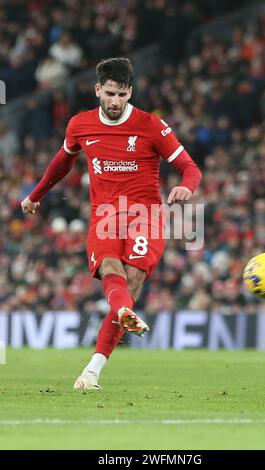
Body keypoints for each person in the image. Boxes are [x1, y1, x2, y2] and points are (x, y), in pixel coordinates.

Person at [21, 58, 202, 390]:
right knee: (108, 267)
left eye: (121, 94)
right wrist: (35, 195)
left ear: (130, 92)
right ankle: (104, 347)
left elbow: (191, 168)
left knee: (130, 282)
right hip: (104, 216)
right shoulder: (80, 124)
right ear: (97, 90)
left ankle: (97, 360)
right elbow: (63, 161)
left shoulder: (151, 126)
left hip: (146, 217)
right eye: (109, 94)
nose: (115, 101)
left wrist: (185, 187)